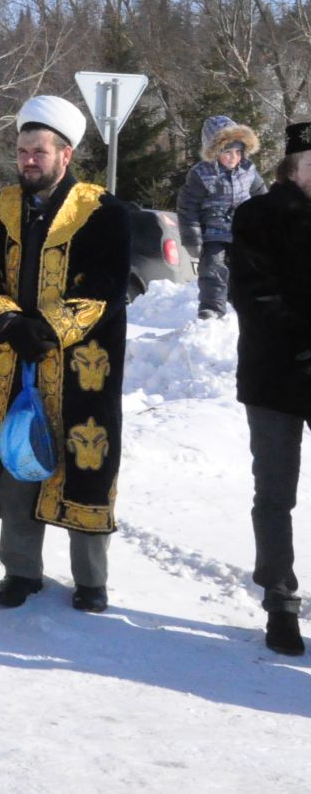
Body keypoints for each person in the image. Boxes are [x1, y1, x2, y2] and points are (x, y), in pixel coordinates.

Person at [0, 95, 130, 614]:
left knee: (87, 465)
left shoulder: (102, 211)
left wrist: (52, 328)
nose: (29, 160)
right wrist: (9, 321)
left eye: (39, 151)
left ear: (66, 153)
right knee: (17, 460)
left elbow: (106, 286)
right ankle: (20, 570)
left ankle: (91, 579)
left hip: (83, 367)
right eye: (22, 150)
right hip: (13, 360)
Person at [227, 120, 311, 656]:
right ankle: (279, 600)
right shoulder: (257, 216)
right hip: (275, 377)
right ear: (294, 167)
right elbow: (253, 295)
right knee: (275, 492)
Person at [178, 115, 265, 321]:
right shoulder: (201, 174)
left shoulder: (248, 170)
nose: (233, 157)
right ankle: (212, 309)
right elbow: (187, 206)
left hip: (241, 230)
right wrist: (192, 237)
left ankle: (243, 304)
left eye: (238, 152)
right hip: (213, 231)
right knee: (213, 269)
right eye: (227, 152)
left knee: (246, 267)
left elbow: (261, 196)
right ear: (215, 151)